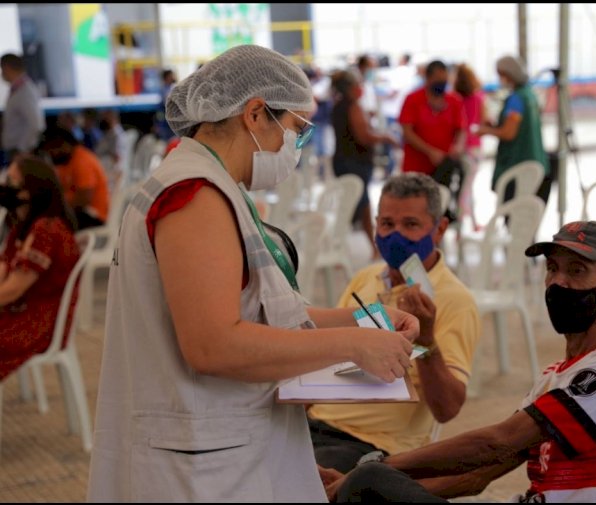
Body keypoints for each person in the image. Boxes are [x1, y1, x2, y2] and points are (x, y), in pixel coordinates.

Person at [86, 44, 419, 503]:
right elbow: (212, 344)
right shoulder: (195, 195)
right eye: (298, 130)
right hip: (200, 463)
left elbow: (271, 315)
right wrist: (354, 344)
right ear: (256, 114)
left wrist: (370, 320)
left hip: (228, 444)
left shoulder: (219, 186)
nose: (298, 147)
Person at [325, 220, 596, 503]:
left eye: (577, 270)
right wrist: (378, 488)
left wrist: (375, 469)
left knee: (370, 477)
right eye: (552, 269)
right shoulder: (557, 377)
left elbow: (498, 442)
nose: (558, 282)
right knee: (369, 485)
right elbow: (477, 475)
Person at [307, 172, 480, 472]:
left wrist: (426, 341)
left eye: (410, 225)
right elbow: (324, 355)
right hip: (314, 425)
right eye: (386, 224)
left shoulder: (454, 300)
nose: (395, 235)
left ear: (439, 229)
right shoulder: (366, 278)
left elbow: (447, 409)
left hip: (372, 445)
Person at [0, 155, 79, 380]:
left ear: (31, 190)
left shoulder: (47, 231)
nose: (6, 187)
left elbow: (13, 289)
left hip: (37, 324)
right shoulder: (23, 226)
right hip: (24, 314)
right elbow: (4, 272)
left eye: (12, 182)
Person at [329, 70, 398, 259]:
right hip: (354, 163)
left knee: (351, 205)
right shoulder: (353, 107)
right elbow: (363, 136)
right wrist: (386, 138)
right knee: (363, 205)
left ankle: (341, 245)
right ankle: (374, 246)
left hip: (344, 161)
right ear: (352, 88)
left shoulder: (338, 106)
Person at [478, 54, 550, 205]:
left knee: (516, 213)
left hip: (518, 164)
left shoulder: (516, 99)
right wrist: (496, 126)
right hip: (536, 162)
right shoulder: (529, 94)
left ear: (508, 74)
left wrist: (485, 131)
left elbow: (509, 133)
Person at [399, 60, 467, 178]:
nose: (441, 83)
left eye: (444, 79)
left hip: (444, 166)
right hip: (417, 166)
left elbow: (461, 128)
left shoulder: (454, 100)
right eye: (438, 79)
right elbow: (407, 133)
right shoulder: (413, 100)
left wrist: (459, 146)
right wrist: (430, 151)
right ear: (428, 78)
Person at [37, 126, 110, 230]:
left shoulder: (82, 160)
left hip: (91, 216)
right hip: (76, 213)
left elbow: (83, 200)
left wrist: (55, 207)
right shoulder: (64, 163)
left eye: (51, 149)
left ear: (63, 144)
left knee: (49, 226)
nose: (50, 154)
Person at [453, 63, 487, 232]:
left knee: (465, 187)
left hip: (460, 148)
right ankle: (464, 224)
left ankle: (466, 224)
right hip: (474, 147)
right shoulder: (479, 98)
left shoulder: (454, 99)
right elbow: (484, 120)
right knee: (467, 189)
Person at [0, 53, 45, 166]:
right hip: (14, 150)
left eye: (2, 69)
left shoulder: (25, 91)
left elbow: (36, 124)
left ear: (7, 68)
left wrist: (22, 149)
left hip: (20, 152)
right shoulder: (17, 89)